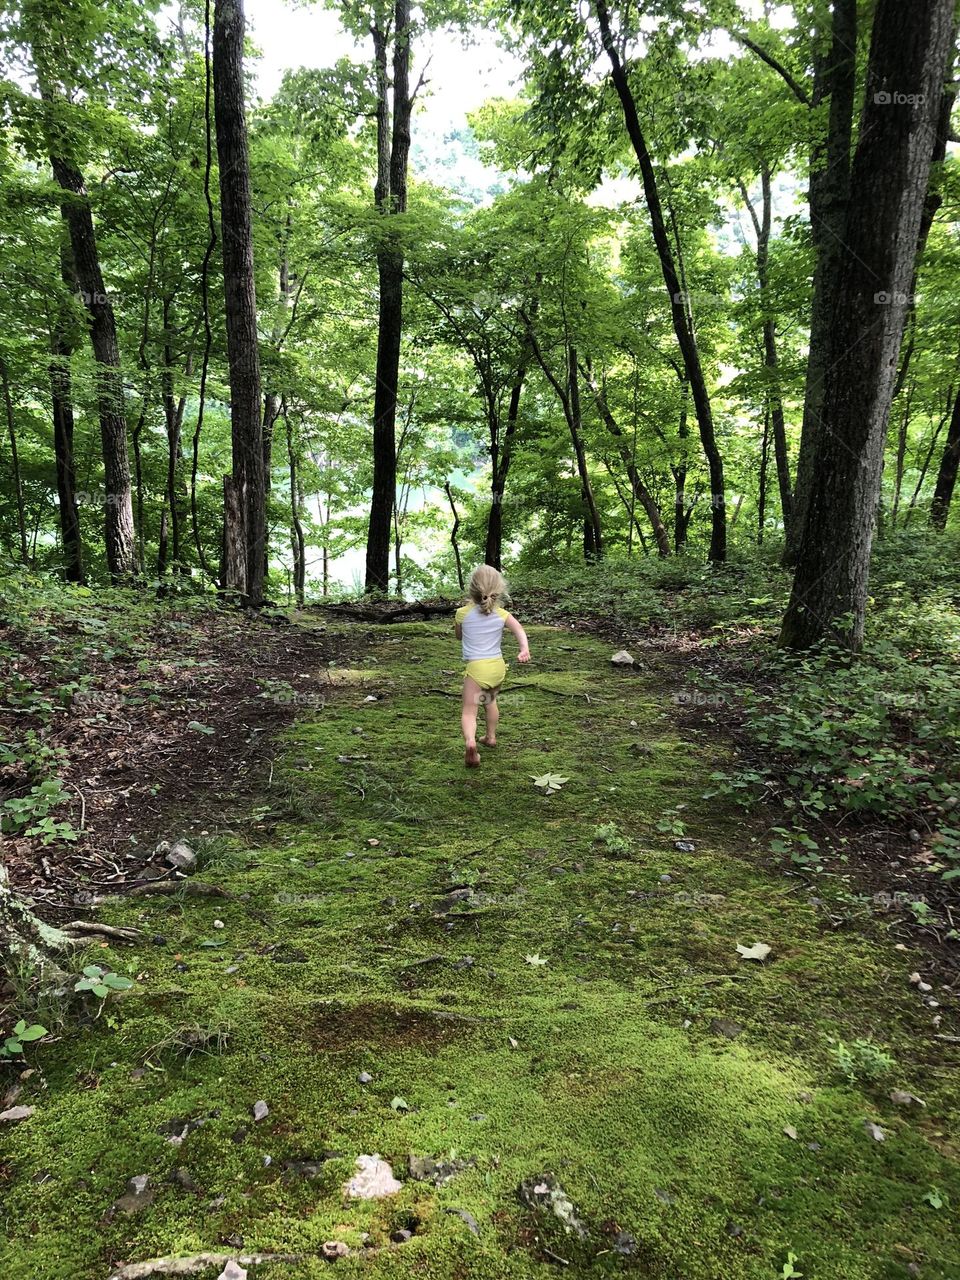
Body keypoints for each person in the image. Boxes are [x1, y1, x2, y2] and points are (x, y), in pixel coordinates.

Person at [455, 564, 530, 768]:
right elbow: (519, 630)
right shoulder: (502, 614)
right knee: (490, 702)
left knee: (470, 710)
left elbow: (459, 636)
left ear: (472, 589)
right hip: (497, 667)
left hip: (477, 669)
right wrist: (524, 649)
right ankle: (490, 737)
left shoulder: (462, 613)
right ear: (498, 589)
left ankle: (471, 743)